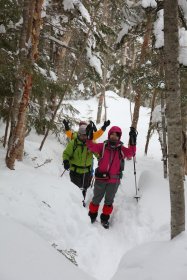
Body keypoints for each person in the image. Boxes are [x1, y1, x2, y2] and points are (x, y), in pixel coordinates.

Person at [85, 125, 137, 228]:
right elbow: (90, 146)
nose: (114, 136)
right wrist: (89, 137)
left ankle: (104, 219)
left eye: (116, 135)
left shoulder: (121, 149)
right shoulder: (103, 146)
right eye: (112, 134)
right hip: (100, 179)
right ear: (109, 135)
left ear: (119, 137)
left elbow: (131, 153)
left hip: (114, 181)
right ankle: (92, 216)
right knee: (96, 199)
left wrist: (132, 141)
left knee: (109, 201)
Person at [62, 125, 96, 206]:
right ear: (79, 134)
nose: (85, 137)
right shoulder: (73, 143)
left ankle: (82, 201)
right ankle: (75, 204)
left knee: (85, 188)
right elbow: (66, 154)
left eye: (86, 135)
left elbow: (98, 153)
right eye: (83, 135)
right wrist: (66, 161)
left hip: (87, 171)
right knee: (75, 188)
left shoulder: (91, 143)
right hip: (75, 171)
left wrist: (102, 159)